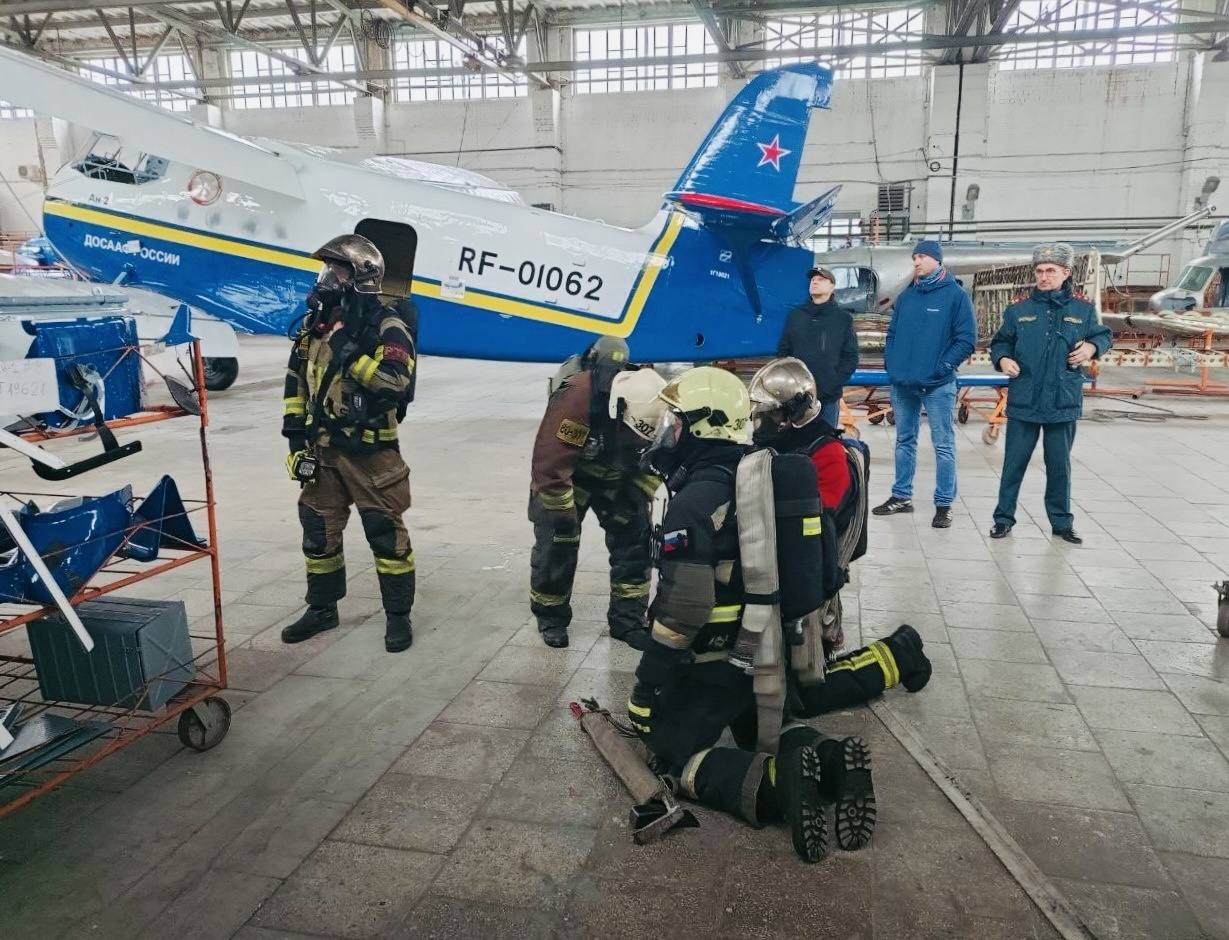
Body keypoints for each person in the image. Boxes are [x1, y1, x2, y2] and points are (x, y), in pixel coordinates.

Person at [628, 366, 931, 863]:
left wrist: (646, 687)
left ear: (703, 425)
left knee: (672, 756)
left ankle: (777, 786)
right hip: (768, 650)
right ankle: (832, 763)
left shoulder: (695, 499)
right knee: (767, 729)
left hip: (714, 664)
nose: (670, 432)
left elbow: (684, 610)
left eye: (677, 422)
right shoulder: (759, 471)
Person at [280, 235, 418, 653]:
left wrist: (347, 351)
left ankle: (398, 617)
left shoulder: (387, 325)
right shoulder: (314, 328)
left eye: (336, 271)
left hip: (372, 454)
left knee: (385, 536)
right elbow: (295, 386)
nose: (326, 280)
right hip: (322, 452)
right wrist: (294, 442)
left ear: (360, 278)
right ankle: (322, 609)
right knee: (318, 533)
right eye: (326, 270)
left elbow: (394, 381)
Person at [528, 338, 667, 649]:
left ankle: (627, 621)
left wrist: (642, 496)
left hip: (618, 476)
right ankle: (551, 616)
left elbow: (653, 460)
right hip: (571, 476)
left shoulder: (654, 403)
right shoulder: (578, 397)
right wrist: (563, 515)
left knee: (635, 540)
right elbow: (550, 464)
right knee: (557, 543)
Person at [988, 243, 1112, 544]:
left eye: (1050, 271)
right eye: (1039, 271)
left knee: (1059, 467)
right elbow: (1001, 342)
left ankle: (1061, 523)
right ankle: (1003, 518)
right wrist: (1003, 359)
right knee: (1013, 464)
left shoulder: (1082, 310)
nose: (1043, 277)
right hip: (1025, 399)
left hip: (1061, 401)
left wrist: (1092, 347)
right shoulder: (1019, 310)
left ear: (1065, 273)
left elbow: (1103, 335)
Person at [874, 240, 977, 529]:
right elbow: (892, 335)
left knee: (943, 444)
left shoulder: (956, 296)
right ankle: (901, 496)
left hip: (938, 384)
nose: (916, 262)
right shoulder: (907, 297)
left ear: (936, 260)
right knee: (904, 441)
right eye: (914, 257)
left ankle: (944, 504)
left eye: (921, 257)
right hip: (904, 382)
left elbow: (966, 339)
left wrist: (942, 366)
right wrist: (891, 364)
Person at [777, 266, 859, 428]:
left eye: (821, 279)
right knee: (795, 447)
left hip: (828, 398)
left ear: (832, 286)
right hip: (797, 397)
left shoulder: (843, 319)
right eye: (813, 279)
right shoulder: (796, 316)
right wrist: (790, 384)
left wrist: (833, 384)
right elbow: (783, 351)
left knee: (825, 445)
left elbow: (850, 357)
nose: (815, 282)